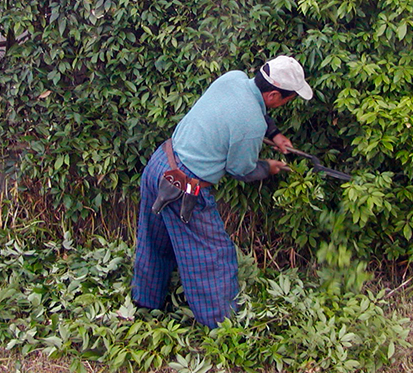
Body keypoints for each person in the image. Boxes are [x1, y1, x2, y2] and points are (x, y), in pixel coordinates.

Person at [132, 55, 313, 328]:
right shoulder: (251, 126)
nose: (288, 103)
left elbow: (251, 111)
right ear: (274, 94)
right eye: (288, 99)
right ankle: (223, 329)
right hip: (185, 188)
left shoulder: (234, 78)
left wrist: (275, 135)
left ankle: (145, 303)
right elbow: (241, 169)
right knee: (213, 257)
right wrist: (269, 167)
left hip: (160, 165)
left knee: (155, 240)